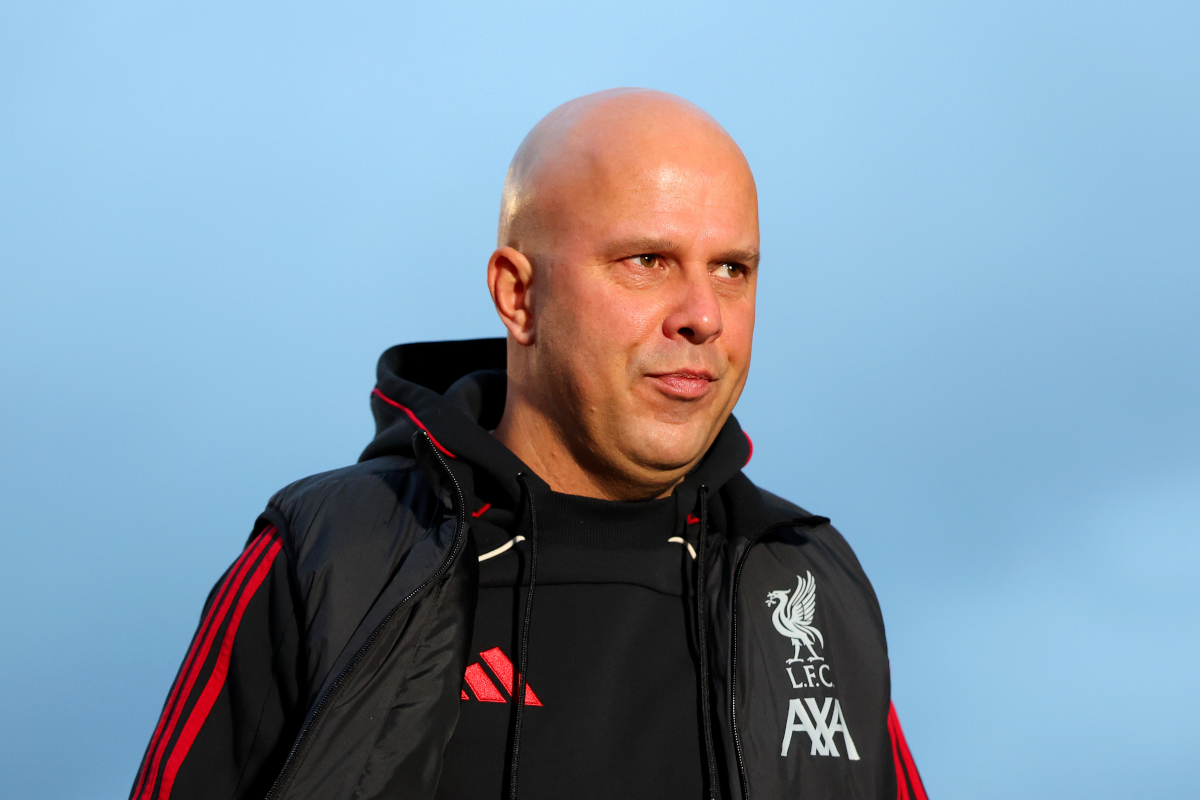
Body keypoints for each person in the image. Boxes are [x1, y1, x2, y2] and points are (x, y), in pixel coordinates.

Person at [129, 88, 928, 800]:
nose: (703, 315)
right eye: (647, 261)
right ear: (519, 294)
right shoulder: (333, 558)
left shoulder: (808, 584)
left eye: (732, 269)